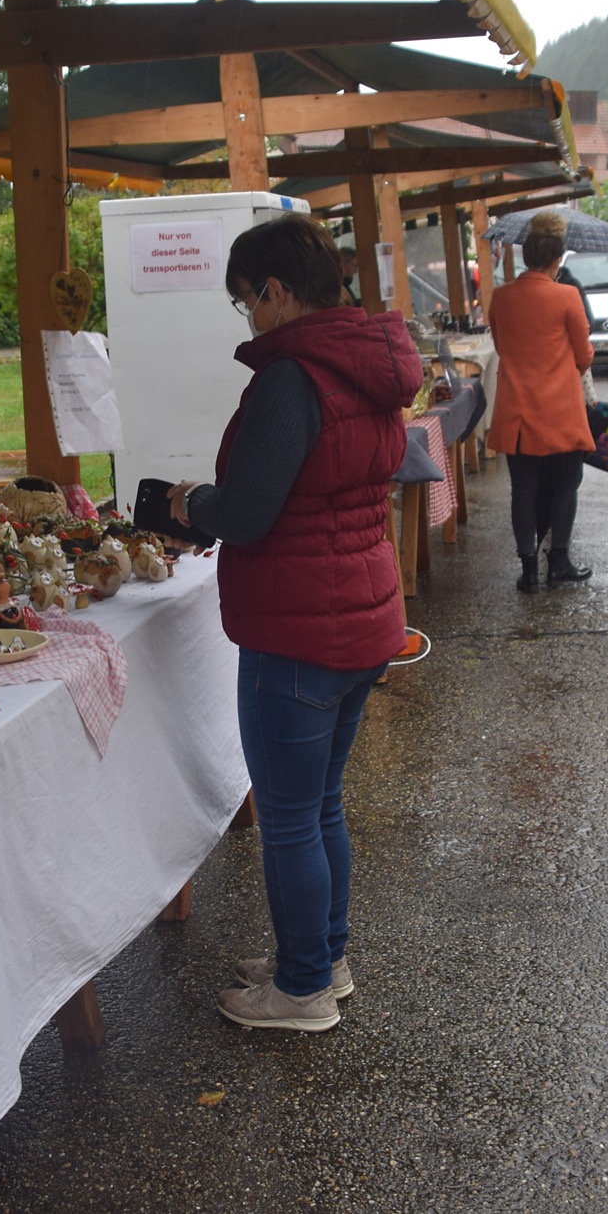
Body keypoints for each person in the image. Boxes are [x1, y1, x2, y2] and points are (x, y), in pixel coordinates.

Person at [169, 213, 420, 1033]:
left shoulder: (291, 376)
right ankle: (322, 956)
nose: (249, 317)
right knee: (319, 806)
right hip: (359, 614)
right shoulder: (369, 362)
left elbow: (246, 512)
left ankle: (303, 987)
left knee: (288, 817)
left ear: (275, 291)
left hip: (297, 628)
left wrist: (188, 506)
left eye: (246, 301)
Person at [485, 210, 596, 592]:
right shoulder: (566, 295)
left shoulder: (501, 297)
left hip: (516, 410)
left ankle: (528, 569)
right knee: (567, 485)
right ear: (556, 259)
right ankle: (559, 561)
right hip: (561, 410)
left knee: (523, 489)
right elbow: (584, 357)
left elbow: (501, 347)